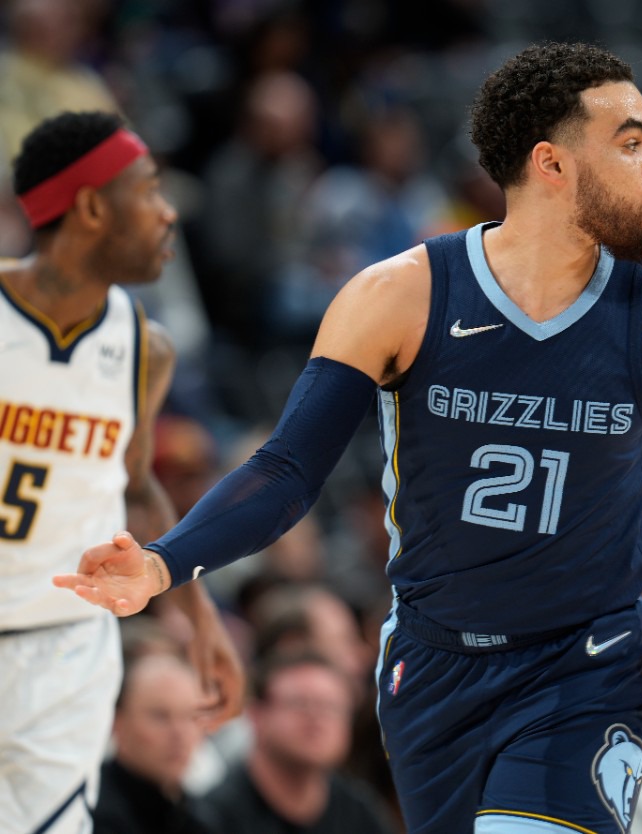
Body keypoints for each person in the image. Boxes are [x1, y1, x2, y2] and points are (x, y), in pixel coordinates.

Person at [56, 42, 642, 834]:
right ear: (552, 165)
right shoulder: (400, 295)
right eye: (631, 142)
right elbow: (290, 468)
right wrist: (163, 561)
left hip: (585, 665)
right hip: (434, 663)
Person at [1, 110, 243, 834]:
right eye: (150, 191)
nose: (169, 214)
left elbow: (136, 487)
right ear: (93, 206)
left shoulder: (146, 348)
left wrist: (200, 618)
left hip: (65, 646)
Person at [202, 651, 397, 834]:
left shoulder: (359, 813)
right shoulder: (212, 816)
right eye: (300, 704)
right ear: (256, 715)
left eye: (331, 708)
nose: (316, 719)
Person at [93, 653, 216, 834]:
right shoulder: (89, 816)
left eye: (191, 717)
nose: (179, 733)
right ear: (117, 723)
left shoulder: (203, 817)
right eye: (160, 716)